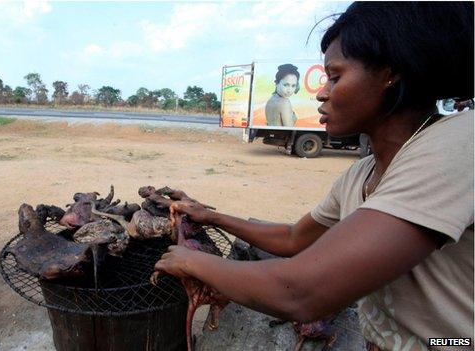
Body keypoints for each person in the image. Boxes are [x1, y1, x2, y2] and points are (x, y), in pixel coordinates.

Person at [155, 2, 473, 350]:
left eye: (335, 77)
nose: (321, 93)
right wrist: (212, 216)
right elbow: (293, 238)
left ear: (390, 73)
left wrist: (193, 261)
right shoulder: (360, 175)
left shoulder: (459, 142)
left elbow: (301, 292)